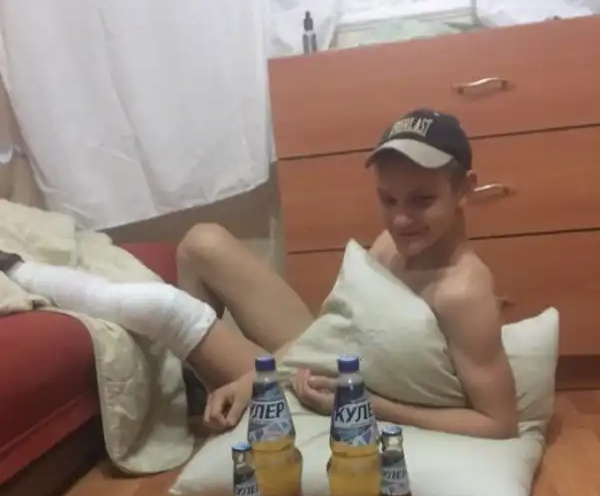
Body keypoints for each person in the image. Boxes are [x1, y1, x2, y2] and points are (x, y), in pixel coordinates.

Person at [1, 107, 517, 440]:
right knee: (203, 241)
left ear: (465, 188)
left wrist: (372, 405)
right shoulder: (391, 243)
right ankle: (198, 387)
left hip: (339, 385)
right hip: (330, 352)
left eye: (422, 201)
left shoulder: (462, 292)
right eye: (388, 200)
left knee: (168, 311)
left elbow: (499, 424)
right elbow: (336, 328)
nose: (401, 220)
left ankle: (25, 274)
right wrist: (255, 377)